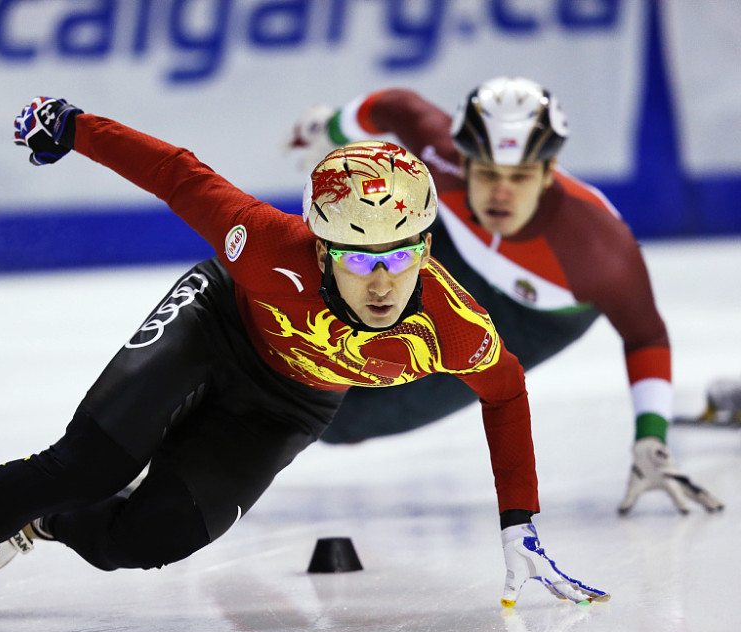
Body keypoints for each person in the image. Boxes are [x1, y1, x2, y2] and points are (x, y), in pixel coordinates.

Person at [0, 96, 608, 632]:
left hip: (291, 403)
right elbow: (178, 173)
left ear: (426, 246)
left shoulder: (452, 324)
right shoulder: (262, 243)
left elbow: (505, 396)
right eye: (358, 258)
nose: (382, 278)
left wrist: (520, 521)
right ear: (322, 245)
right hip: (217, 322)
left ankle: (40, 522)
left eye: (401, 254)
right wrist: (73, 126)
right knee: (88, 462)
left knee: (146, 539)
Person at [287, 76, 723, 516]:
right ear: (464, 161)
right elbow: (393, 104)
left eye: (520, 177)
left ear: (549, 173)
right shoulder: (440, 153)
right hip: (457, 250)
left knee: (350, 418)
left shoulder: (598, 251)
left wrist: (652, 438)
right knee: (322, 306)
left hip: (532, 320)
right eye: (488, 173)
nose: (501, 193)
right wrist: (329, 131)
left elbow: (646, 337)